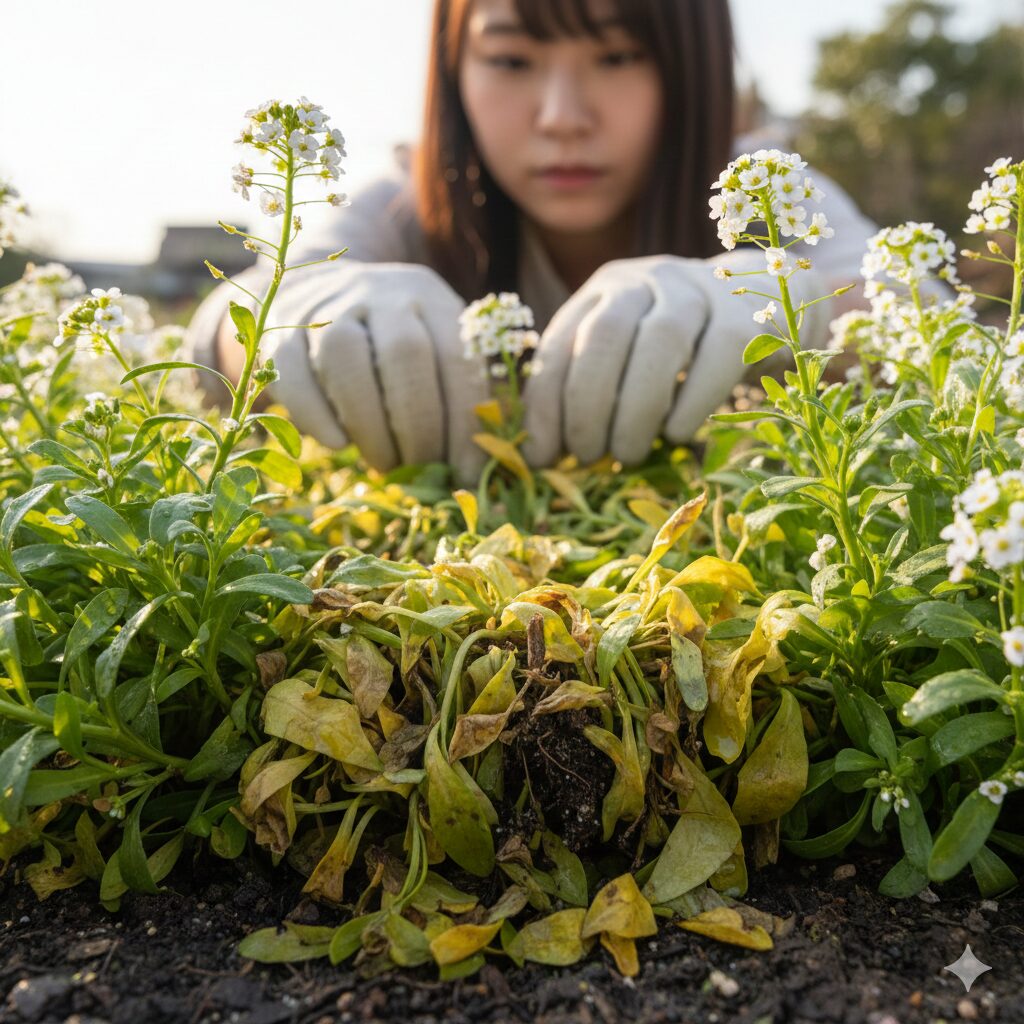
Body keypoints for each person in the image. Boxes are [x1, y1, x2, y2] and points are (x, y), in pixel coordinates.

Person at [186, 0, 879, 484]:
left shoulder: (768, 188)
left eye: (618, 55)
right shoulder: (406, 205)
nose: (562, 117)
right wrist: (299, 320)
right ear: (455, 69)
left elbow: (913, 305)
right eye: (512, 59)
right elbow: (237, 311)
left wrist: (786, 300)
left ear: (694, 67)